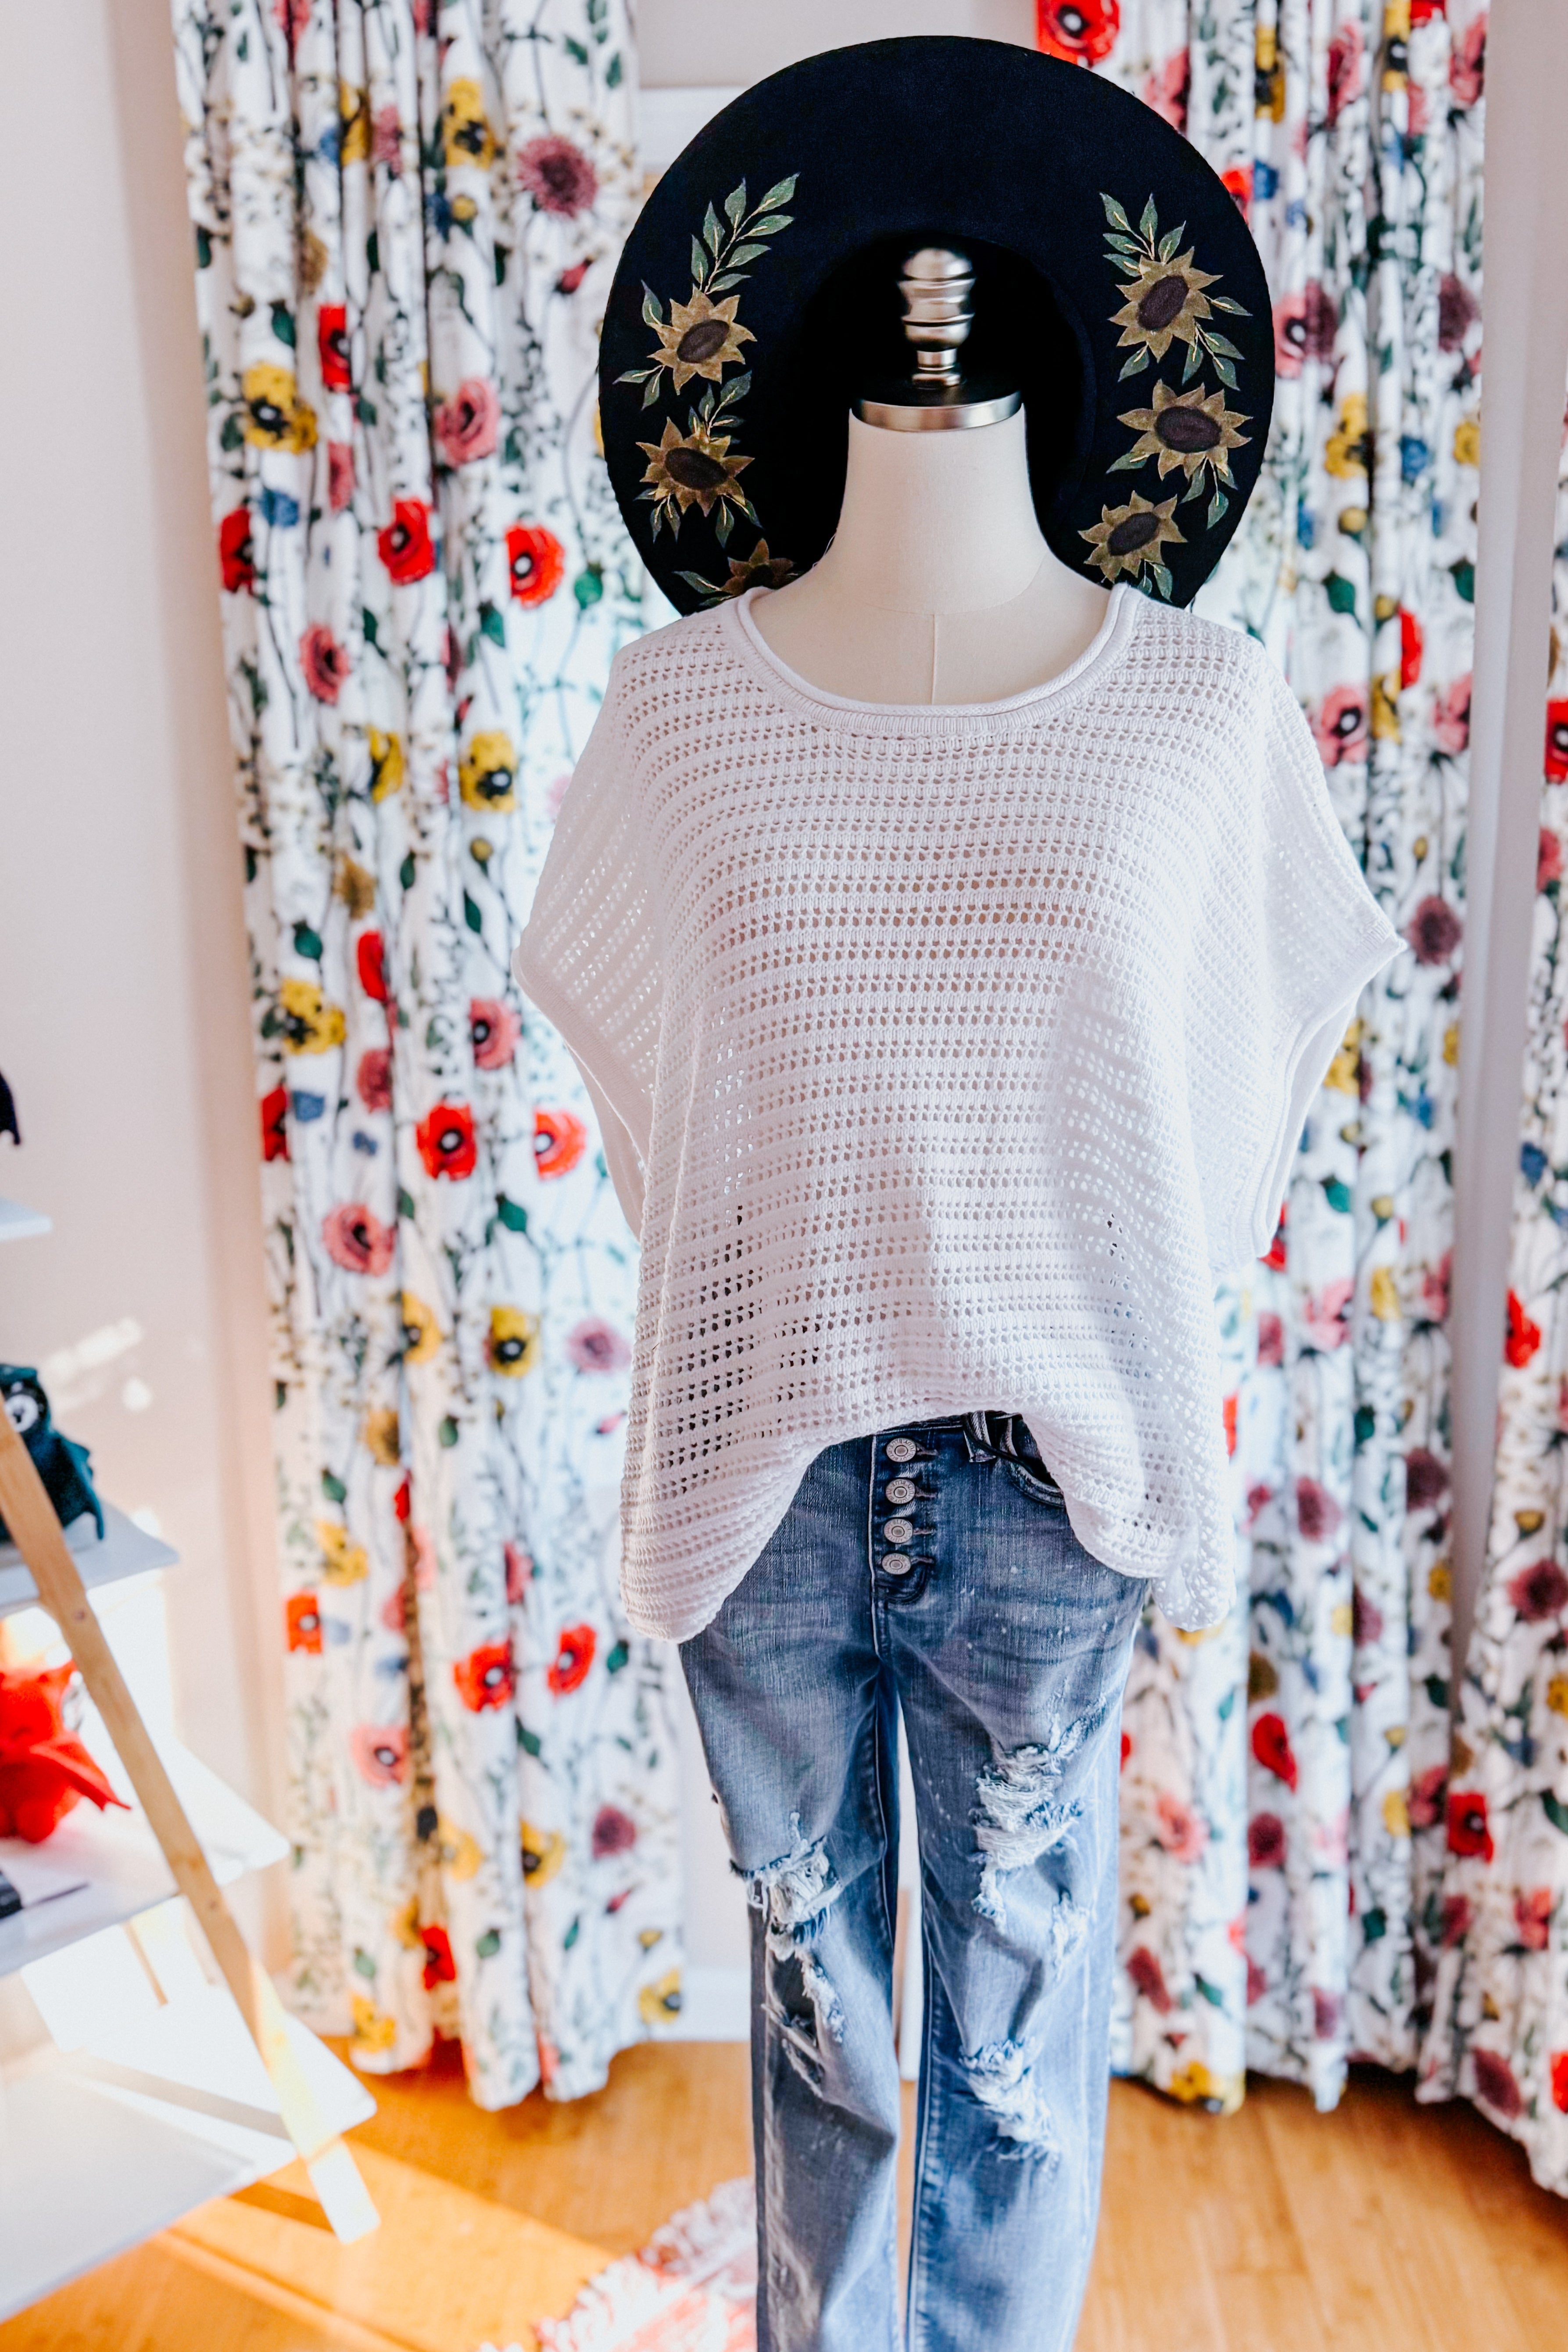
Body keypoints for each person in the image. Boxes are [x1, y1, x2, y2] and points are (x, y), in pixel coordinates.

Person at [516, 38, 1401, 2350]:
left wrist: (1065, 1248)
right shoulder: (678, 715)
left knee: (1006, 2048)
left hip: (1054, 1470)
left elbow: (1243, 1061)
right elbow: (645, 1070)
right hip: (762, 1472)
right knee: (836, 2036)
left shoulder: (1195, 711)